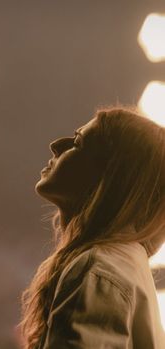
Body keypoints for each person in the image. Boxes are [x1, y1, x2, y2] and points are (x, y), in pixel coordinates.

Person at [17, 107, 165, 348]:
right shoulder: (124, 262)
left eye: (78, 142)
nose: (56, 145)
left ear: (111, 175)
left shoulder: (97, 268)